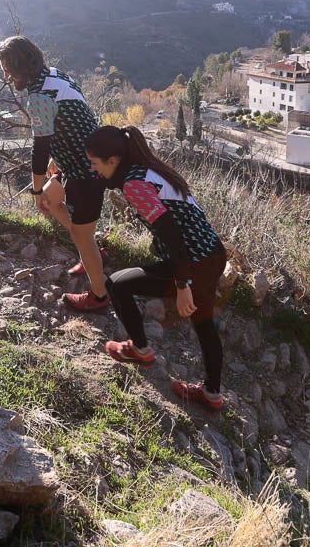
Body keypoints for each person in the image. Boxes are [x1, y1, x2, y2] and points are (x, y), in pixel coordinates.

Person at [84, 125, 228, 410]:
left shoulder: (134, 185)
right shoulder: (147, 170)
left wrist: (182, 285)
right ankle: (212, 394)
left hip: (192, 262)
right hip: (211, 254)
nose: (93, 169)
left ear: (113, 160)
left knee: (116, 284)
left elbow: (170, 234)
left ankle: (140, 350)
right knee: (204, 323)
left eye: (95, 163)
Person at [0, 36, 109, 311]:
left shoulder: (38, 97)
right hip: (84, 161)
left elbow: (39, 149)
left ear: (21, 66)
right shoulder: (56, 76)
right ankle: (91, 250)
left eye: (9, 70)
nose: (7, 77)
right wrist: (56, 158)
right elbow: (73, 120)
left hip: (85, 172)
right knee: (51, 202)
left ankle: (99, 296)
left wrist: (35, 190)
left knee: (74, 228)